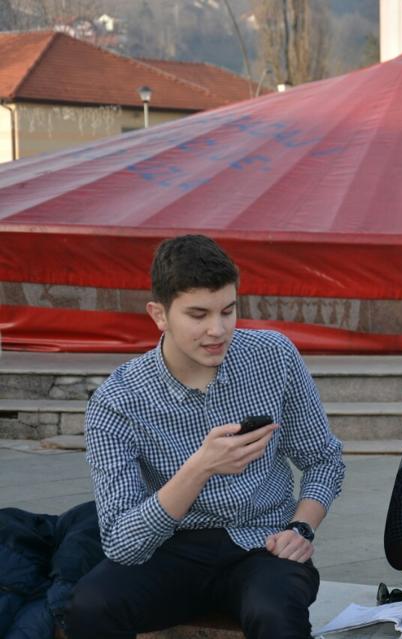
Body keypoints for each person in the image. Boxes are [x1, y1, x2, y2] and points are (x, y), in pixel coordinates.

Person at [68, 235, 345, 639]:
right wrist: (200, 467)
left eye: (228, 311)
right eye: (198, 315)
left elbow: (323, 458)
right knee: (88, 607)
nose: (217, 330)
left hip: (263, 544)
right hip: (170, 547)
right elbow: (122, 544)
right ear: (159, 314)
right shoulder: (118, 400)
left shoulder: (273, 356)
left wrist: (301, 529)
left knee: (275, 615)